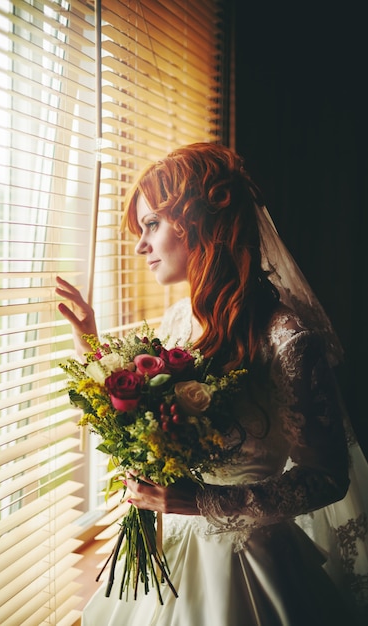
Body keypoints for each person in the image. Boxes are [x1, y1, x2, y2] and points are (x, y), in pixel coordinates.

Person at [56, 143, 368, 626]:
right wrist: (91, 345)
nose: (140, 246)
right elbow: (143, 412)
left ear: (199, 223)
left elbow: (327, 476)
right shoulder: (180, 320)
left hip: (248, 567)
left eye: (151, 225)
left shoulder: (286, 339)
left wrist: (198, 502)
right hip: (173, 553)